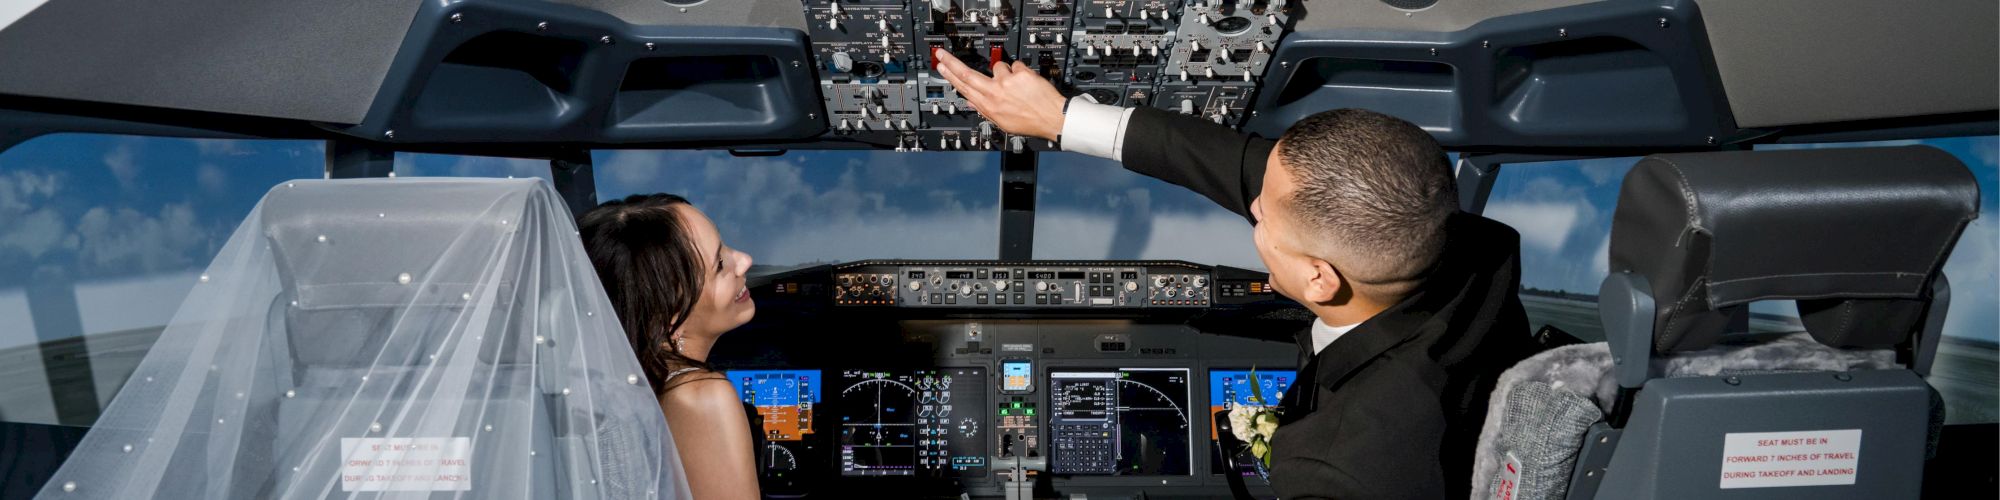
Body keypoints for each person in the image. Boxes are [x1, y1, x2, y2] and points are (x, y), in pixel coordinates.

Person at [933, 50, 1536, 498]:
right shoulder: (1468, 253)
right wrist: (1062, 119)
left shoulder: (1341, 469)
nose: (1250, 206)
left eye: (1263, 219)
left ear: (1320, 280)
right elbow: (1253, 169)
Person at [579, 194, 760, 500]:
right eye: (719, 264)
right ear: (666, 313)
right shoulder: (701, 398)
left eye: (725, 245)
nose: (743, 260)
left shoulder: (607, 386)